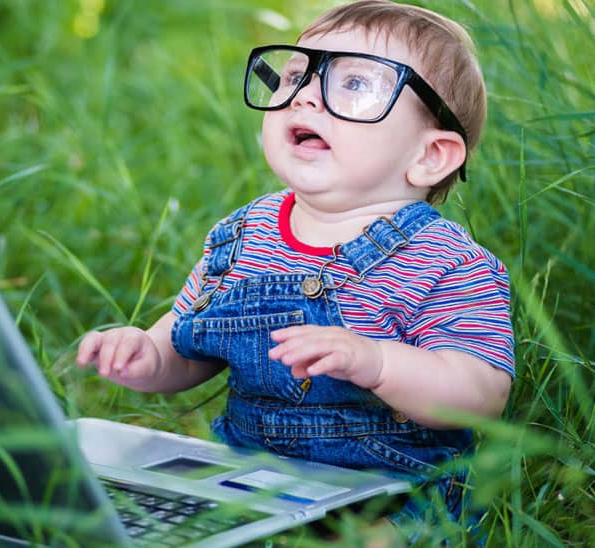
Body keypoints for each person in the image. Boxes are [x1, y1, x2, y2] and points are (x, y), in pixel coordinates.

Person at [76, 0, 514, 542]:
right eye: (295, 75)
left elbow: (479, 393)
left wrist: (376, 361)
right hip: (249, 480)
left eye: (355, 84)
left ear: (429, 156)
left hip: (395, 493)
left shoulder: (446, 260)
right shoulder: (243, 234)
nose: (304, 95)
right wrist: (149, 356)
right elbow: (190, 343)